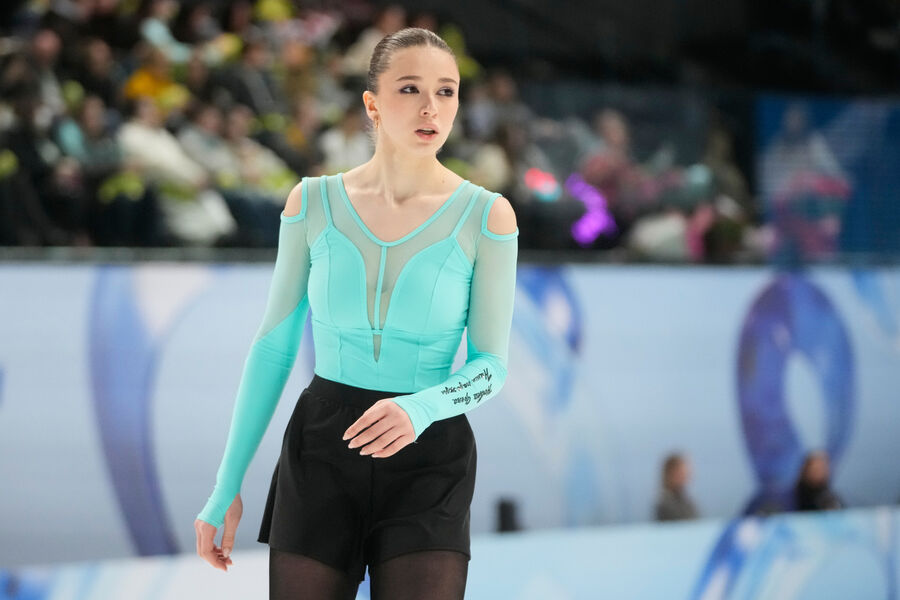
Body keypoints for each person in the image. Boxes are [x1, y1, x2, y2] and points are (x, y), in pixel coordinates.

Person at [194, 27, 519, 600]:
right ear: (371, 104)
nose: (430, 107)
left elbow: (491, 365)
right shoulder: (310, 202)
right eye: (410, 88)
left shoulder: (487, 215)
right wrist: (227, 484)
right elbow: (273, 347)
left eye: (446, 91)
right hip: (320, 448)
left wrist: (421, 408)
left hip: (430, 454)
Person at [654, 452, 699, 521]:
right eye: (681, 473)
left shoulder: (684, 499)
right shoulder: (665, 502)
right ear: (670, 474)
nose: (686, 476)